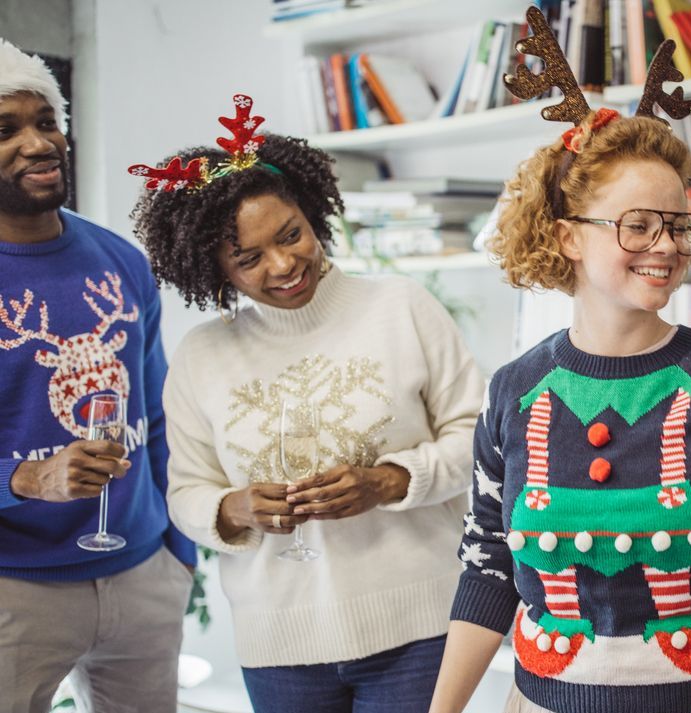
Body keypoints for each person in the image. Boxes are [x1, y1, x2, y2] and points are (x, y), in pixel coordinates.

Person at [427, 15, 691, 713]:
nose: (666, 245)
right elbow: (488, 568)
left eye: (679, 225)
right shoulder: (515, 390)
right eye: (638, 224)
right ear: (568, 237)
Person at [130, 93, 483, 712]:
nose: (285, 263)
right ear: (215, 271)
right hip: (280, 643)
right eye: (249, 258)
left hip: (420, 627)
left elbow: (480, 442)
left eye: (291, 235)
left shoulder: (401, 307)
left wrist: (392, 480)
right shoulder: (202, 355)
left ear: (312, 214)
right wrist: (233, 508)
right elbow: (184, 494)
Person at [0, 39, 196, 712]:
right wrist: (25, 478)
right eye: (6, 130)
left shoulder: (120, 259)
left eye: (45, 121)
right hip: (14, 588)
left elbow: (162, 411)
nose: (38, 143)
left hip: (142, 573)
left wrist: (180, 552)